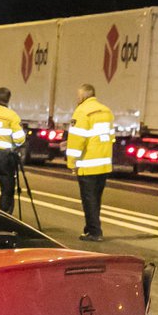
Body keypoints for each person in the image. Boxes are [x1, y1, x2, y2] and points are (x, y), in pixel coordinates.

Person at [66, 83, 114, 241]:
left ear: (82, 96)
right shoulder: (106, 111)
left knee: (89, 199)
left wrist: (71, 162)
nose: (77, 98)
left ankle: (94, 232)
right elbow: (111, 136)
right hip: (104, 162)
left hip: (88, 163)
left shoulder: (81, 111)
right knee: (96, 199)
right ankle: (90, 228)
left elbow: (77, 139)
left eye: (78, 95)